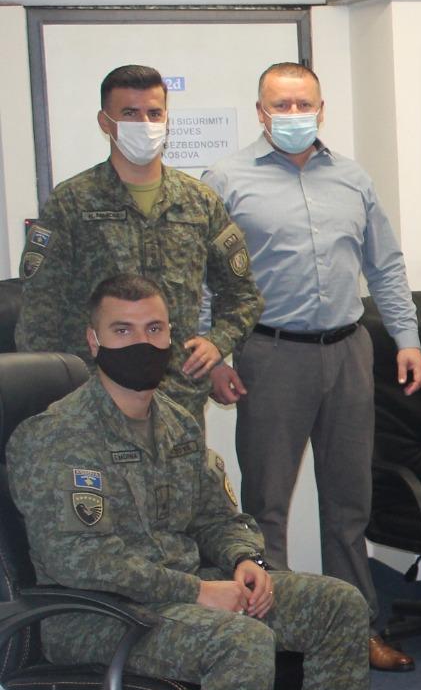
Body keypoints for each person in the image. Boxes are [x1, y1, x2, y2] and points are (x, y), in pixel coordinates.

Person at [6, 274, 419, 690]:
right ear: (93, 341)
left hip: (182, 597)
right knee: (240, 641)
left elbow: (219, 517)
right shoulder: (56, 436)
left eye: (155, 329)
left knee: (339, 605)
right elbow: (79, 560)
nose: (141, 343)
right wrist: (199, 590)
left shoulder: (173, 422)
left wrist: (245, 559)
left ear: (171, 336)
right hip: (93, 615)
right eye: (122, 330)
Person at [203, 62, 421, 673]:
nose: (294, 114)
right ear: (261, 111)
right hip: (269, 355)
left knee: (349, 504)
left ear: (321, 109)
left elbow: (385, 266)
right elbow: (204, 278)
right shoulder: (226, 180)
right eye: (281, 105)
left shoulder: (352, 178)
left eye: (304, 104)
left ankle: (356, 628)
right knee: (266, 507)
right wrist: (214, 353)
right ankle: (274, 636)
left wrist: (406, 338)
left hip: (349, 351)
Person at [17, 64, 262, 422]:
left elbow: (243, 295)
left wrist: (217, 343)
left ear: (167, 119)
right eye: (130, 113)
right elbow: (39, 311)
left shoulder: (199, 202)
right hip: (94, 397)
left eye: (154, 113)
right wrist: (55, 392)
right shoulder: (72, 202)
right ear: (105, 122)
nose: (145, 124)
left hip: (178, 392)